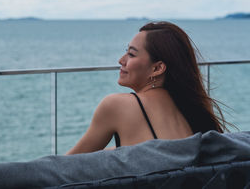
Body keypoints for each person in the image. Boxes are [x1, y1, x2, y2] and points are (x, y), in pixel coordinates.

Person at [67, 21, 227, 155]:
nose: (121, 60)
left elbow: (66, 166)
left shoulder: (117, 106)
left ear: (157, 69)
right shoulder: (190, 111)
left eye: (131, 54)